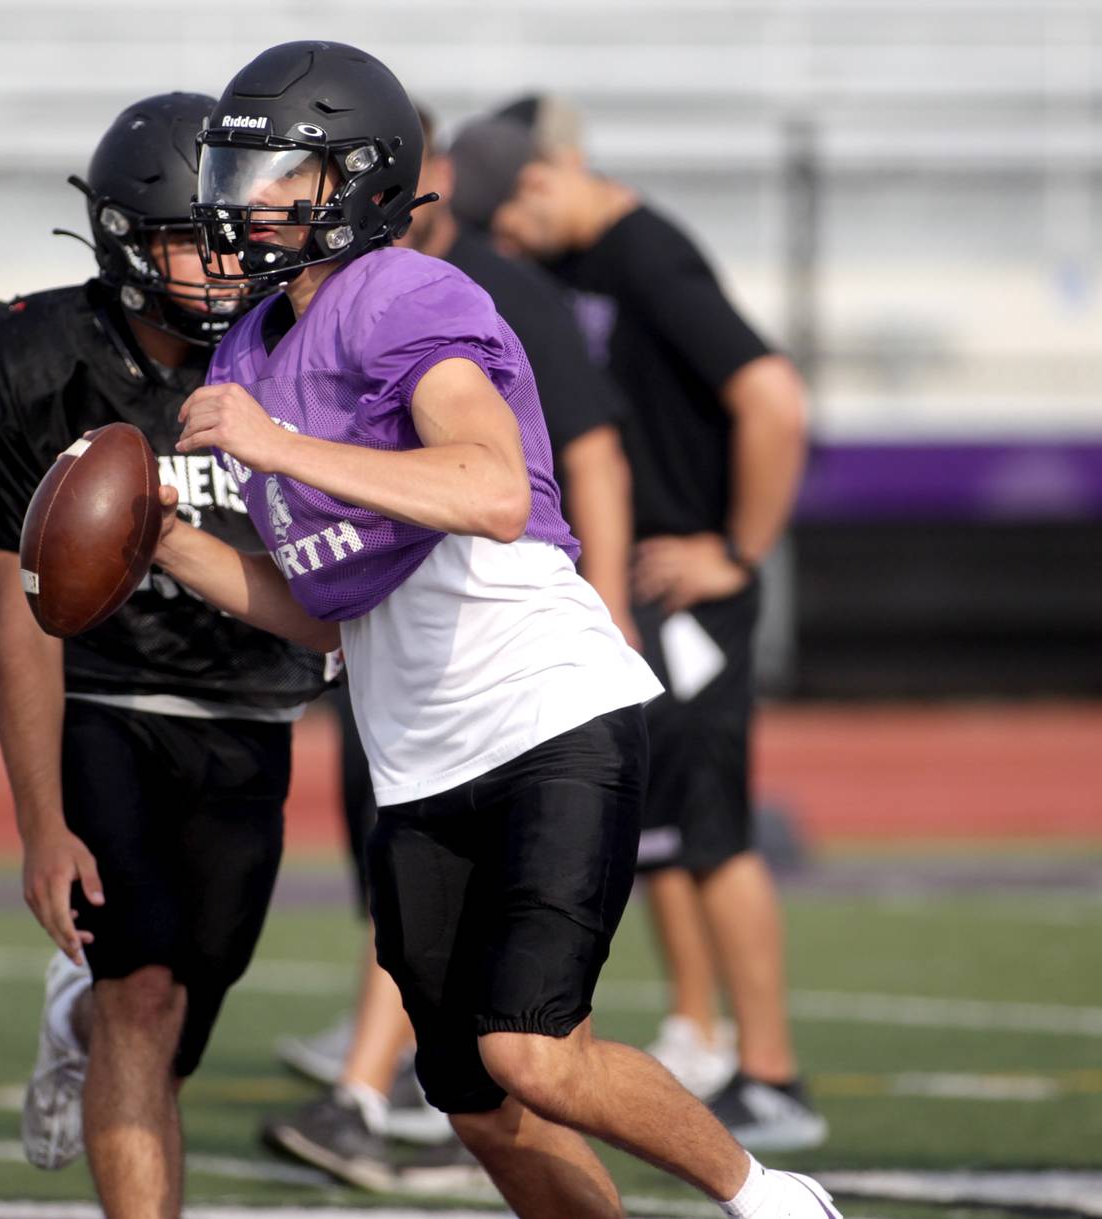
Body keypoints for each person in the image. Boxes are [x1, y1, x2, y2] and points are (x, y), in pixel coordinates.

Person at [157, 40, 843, 1219]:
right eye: (239, 175)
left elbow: (488, 488)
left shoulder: (405, 292)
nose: (245, 206)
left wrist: (274, 447)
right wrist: (161, 545)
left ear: (356, 182)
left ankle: (773, 1198)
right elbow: (322, 612)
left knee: (533, 1048)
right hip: (422, 760)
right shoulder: (251, 345)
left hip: (544, 718)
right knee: (474, 1095)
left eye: (279, 176)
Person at [0, 94, 330, 1219]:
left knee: (179, 1019)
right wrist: (41, 825)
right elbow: (25, 613)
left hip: (253, 712)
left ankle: (81, 1024)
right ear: (123, 237)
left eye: (233, 235)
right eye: (190, 238)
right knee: (142, 1000)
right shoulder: (35, 359)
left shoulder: (296, 356)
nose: (220, 263)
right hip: (108, 699)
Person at [261, 104, 638, 1192]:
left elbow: (579, 457)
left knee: (527, 1024)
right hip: (394, 656)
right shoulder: (298, 321)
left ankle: (361, 1094)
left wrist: (602, 595)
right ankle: (392, 1088)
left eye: (301, 173)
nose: (270, 199)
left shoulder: (466, 290)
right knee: (469, 992)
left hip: (510, 661)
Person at [486, 123, 822, 1148]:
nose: (509, 244)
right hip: (649, 579)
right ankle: (702, 1032)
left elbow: (772, 397)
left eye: (509, 219)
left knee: (714, 830)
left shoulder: (648, 253)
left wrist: (736, 548)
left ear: (546, 178)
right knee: (665, 825)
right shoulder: (583, 261)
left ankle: (771, 1073)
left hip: (694, 585)